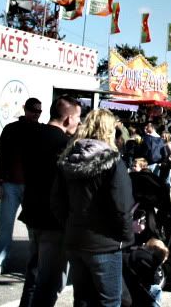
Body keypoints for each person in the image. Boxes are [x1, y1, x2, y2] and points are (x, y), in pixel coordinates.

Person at [52, 108, 134, 307]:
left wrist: (70, 224)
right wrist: (126, 237)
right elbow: (122, 207)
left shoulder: (69, 157)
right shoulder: (113, 161)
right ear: (108, 130)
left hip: (75, 239)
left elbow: (57, 201)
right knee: (110, 301)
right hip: (105, 243)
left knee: (82, 299)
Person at [17, 96, 81, 307]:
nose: (79, 123)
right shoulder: (64, 145)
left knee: (34, 274)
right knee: (50, 281)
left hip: (32, 212)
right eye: (78, 117)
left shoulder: (31, 136)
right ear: (68, 118)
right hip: (53, 220)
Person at [0, 97, 42, 275]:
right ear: (25, 109)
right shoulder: (11, 129)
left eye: (39, 111)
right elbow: (0, 156)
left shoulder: (41, 131)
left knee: (33, 228)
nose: (36, 114)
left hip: (31, 185)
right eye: (33, 110)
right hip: (11, 183)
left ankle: (34, 263)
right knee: (5, 224)